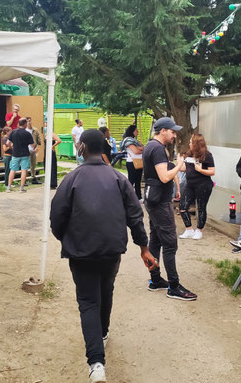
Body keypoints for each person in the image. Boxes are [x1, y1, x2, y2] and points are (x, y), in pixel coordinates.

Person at [50, 129, 158, 383]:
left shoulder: (72, 178)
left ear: (83, 147)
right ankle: (104, 332)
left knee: (88, 301)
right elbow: (135, 214)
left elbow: (57, 216)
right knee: (106, 290)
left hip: (81, 251)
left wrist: (65, 237)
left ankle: (96, 363)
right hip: (112, 249)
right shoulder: (117, 178)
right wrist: (143, 247)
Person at [143, 117, 197, 300]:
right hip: (159, 202)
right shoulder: (157, 149)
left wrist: (176, 171)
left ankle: (155, 279)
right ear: (163, 131)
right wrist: (181, 163)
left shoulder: (151, 146)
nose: (175, 135)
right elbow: (164, 176)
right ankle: (173, 286)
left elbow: (164, 170)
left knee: (156, 239)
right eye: (172, 131)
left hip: (153, 199)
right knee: (170, 243)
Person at [178, 134, 215, 241]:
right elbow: (185, 168)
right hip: (190, 184)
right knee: (182, 206)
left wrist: (201, 170)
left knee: (201, 207)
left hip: (203, 185)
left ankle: (199, 230)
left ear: (197, 144)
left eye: (191, 142)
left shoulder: (207, 155)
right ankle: (189, 229)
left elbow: (212, 171)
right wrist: (179, 164)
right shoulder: (189, 154)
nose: (189, 144)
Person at [7, 118, 35, 192]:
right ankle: (21, 188)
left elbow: (7, 143)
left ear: (19, 124)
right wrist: (35, 148)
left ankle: (8, 187)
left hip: (15, 154)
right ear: (25, 124)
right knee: (24, 170)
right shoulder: (27, 133)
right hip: (25, 154)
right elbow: (32, 145)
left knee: (12, 170)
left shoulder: (13, 132)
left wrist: (11, 148)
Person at [120, 124, 144, 201]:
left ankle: (139, 197)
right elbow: (136, 151)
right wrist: (140, 148)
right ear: (132, 131)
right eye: (136, 131)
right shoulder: (128, 140)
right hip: (132, 162)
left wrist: (140, 148)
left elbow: (143, 147)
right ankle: (126, 196)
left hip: (139, 162)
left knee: (138, 181)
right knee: (131, 180)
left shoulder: (135, 140)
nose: (137, 132)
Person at [43, 122, 62, 189]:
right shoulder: (46, 134)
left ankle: (52, 183)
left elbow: (59, 140)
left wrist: (53, 146)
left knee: (52, 167)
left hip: (51, 152)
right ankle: (48, 182)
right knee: (46, 166)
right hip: (46, 151)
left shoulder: (52, 134)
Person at [25, 118, 43, 184]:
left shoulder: (35, 130)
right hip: (26, 150)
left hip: (33, 149)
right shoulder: (24, 130)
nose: (29, 122)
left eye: (30, 121)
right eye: (27, 121)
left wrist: (37, 147)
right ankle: (25, 179)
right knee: (26, 164)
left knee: (33, 164)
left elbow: (38, 140)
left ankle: (33, 178)